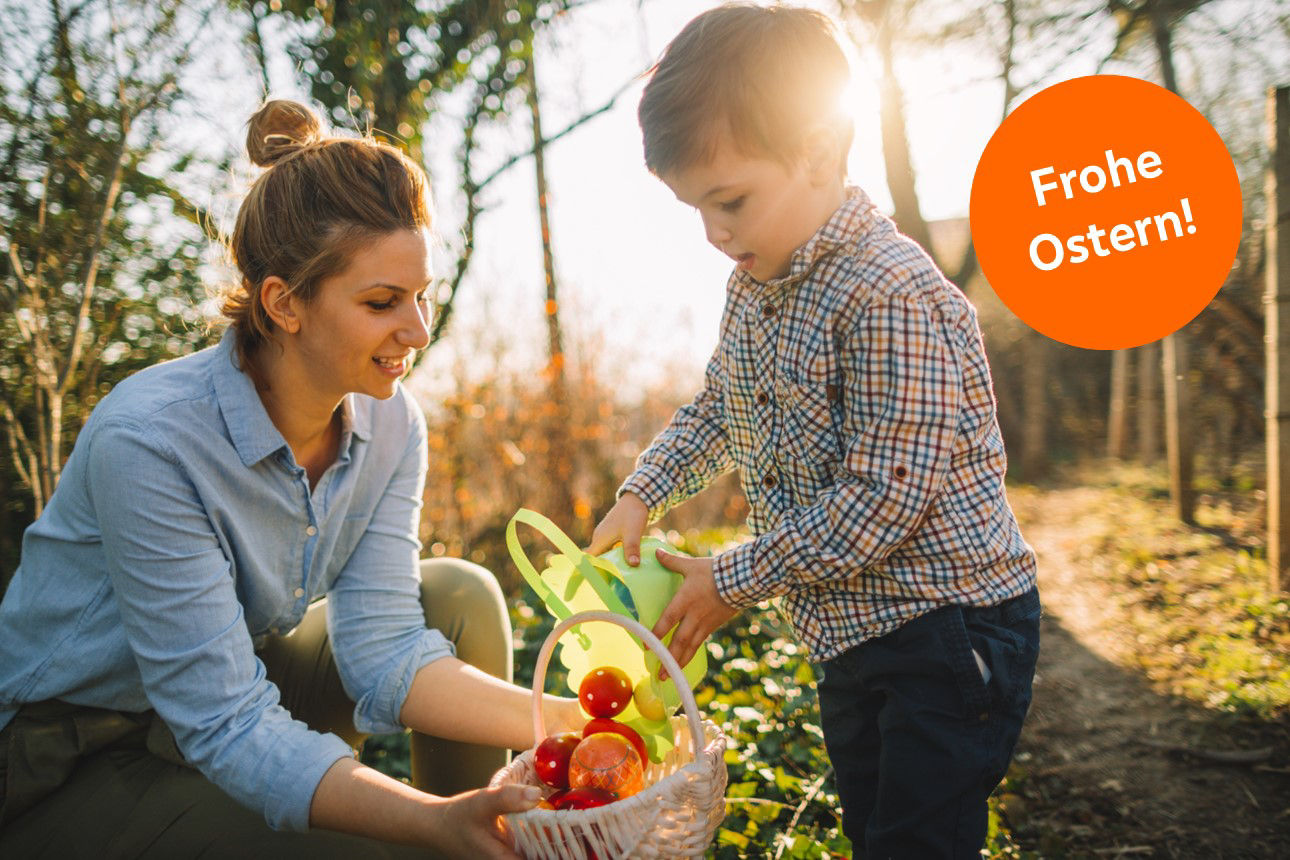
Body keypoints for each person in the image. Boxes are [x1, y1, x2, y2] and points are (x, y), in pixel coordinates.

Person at [0, 99, 583, 859]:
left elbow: (384, 647)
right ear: (283, 304)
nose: (417, 329)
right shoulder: (149, 440)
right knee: (393, 848)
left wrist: (571, 720)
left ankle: (483, 828)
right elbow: (226, 722)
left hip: (226, 688)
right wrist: (420, 823)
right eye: (382, 302)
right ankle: (445, 834)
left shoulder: (391, 423)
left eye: (422, 294)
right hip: (72, 755)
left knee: (459, 597)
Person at [587, 5, 1041, 857]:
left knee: (920, 839)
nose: (715, 232)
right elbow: (722, 405)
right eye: (697, 208)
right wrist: (644, 490)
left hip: (949, 631)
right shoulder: (756, 289)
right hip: (852, 632)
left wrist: (733, 576)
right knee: (876, 830)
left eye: (731, 200)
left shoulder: (887, 296)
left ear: (820, 154)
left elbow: (883, 499)